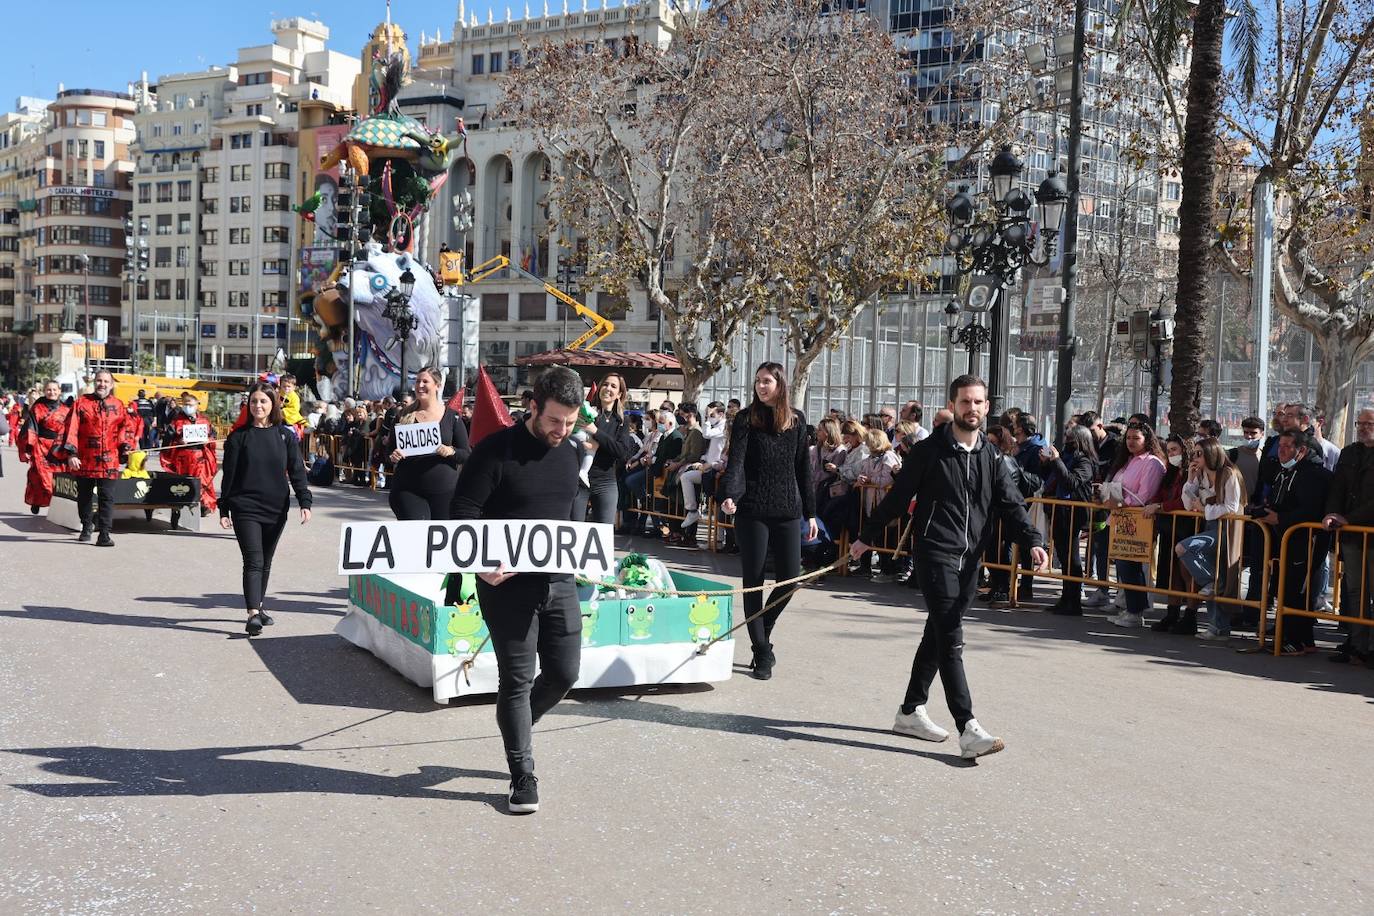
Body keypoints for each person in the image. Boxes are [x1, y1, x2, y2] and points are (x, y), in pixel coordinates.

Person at [850, 375, 1048, 759]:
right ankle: (968, 727)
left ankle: (910, 710)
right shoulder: (929, 451)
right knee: (952, 636)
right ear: (953, 405)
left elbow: (1011, 503)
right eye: (964, 402)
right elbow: (898, 497)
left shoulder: (991, 457)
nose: (971, 408)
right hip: (935, 553)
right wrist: (866, 537)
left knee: (937, 634)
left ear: (986, 407)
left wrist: (1034, 541)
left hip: (971, 559)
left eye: (978, 402)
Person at [443, 365, 586, 815]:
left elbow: (570, 514)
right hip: (505, 586)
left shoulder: (572, 452)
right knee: (517, 681)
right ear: (532, 407)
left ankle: (520, 722)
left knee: (565, 674)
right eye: (554, 421)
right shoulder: (493, 453)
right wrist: (479, 566)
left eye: (570, 421)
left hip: (559, 582)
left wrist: (585, 552)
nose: (562, 430)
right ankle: (522, 773)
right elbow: (461, 514)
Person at [719, 362, 818, 680]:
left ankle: (763, 627)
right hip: (752, 510)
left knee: (791, 578)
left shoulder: (797, 420)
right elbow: (736, 463)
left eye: (767, 381)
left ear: (780, 385)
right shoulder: (746, 418)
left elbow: (804, 467)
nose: (761, 386)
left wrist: (811, 513)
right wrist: (730, 494)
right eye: (758, 381)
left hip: (788, 508)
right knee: (754, 582)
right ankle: (762, 651)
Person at [219, 383, 312, 636]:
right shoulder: (239, 437)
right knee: (254, 561)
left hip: (276, 508)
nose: (258, 406)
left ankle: (259, 608)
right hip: (245, 507)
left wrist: (305, 501)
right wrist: (223, 508)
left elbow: (296, 471)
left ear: (273, 404)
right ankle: (251, 614)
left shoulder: (285, 435)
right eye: (253, 402)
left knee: (266, 561)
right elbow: (229, 476)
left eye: (263, 401)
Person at [1254, 429, 1332, 654]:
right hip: (1286, 539)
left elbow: (1310, 509)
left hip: (1307, 540)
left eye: (1288, 446)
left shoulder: (1314, 475)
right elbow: (1282, 500)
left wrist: (1280, 517)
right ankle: (1299, 638)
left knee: (1299, 590)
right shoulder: (1284, 472)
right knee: (1285, 588)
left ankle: (1297, 640)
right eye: (1280, 445)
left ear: (1302, 450)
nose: (1282, 450)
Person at [1096, 421, 1167, 627]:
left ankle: (1136, 611)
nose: (1131, 442)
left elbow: (1144, 495)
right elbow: (1118, 488)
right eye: (1128, 438)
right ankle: (1130, 608)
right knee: (1123, 567)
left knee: (1132, 567)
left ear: (1147, 440)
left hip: (1136, 520)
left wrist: (1119, 504)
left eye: (1136, 438)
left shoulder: (1152, 463)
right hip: (1119, 518)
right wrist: (1107, 497)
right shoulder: (1127, 461)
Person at [1175, 438, 1245, 640]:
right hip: (1211, 525)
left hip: (1228, 530)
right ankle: (1218, 627)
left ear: (1211, 454)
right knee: (1216, 577)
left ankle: (1214, 587)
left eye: (1199, 453)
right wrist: (1190, 479)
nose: (1195, 458)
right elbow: (1188, 505)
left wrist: (1204, 509)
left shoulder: (1229, 474)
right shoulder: (1201, 475)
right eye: (1194, 454)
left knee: (1184, 548)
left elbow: (1231, 507)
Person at [57, 369, 136, 546]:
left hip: (110, 460)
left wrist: (125, 446)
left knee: (107, 497)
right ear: (95, 382)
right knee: (84, 496)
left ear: (112, 384)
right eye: (99, 381)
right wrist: (71, 453)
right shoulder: (81, 403)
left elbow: (126, 428)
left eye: (106, 381)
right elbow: (71, 428)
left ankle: (105, 534)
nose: (102, 384)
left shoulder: (119, 405)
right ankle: (86, 526)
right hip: (85, 459)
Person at [385, 367, 471, 520]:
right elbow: (388, 451)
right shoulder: (403, 415)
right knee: (417, 534)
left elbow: (466, 454)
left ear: (437, 386)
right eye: (418, 381)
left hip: (445, 492)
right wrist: (393, 456)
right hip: (408, 490)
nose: (420, 385)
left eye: (425, 381)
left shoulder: (452, 417)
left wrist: (451, 451)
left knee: (439, 540)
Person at [1323, 409, 1374, 665]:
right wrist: (1332, 513)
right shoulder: (1350, 452)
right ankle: (1358, 644)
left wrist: (1350, 519)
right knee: (1355, 590)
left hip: (1368, 531)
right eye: (1360, 423)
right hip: (1352, 536)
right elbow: (1338, 487)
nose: (1363, 427)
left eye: (1369, 423)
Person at [1039, 425, 1097, 615]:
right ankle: (1065, 598)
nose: (1066, 440)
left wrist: (1056, 461)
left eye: (1071, 438)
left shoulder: (1085, 461)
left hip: (1074, 512)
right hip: (1059, 511)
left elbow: (1071, 482)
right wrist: (1048, 462)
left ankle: (1074, 601)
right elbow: (1054, 478)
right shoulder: (1067, 456)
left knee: (1072, 559)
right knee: (1064, 558)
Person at [1142, 433, 1197, 633]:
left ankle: (1190, 617)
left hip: (1187, 526)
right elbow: (1159, 492)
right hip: (1169, 527)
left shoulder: (1192, 472)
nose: (1172, 453)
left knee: (1187, 572)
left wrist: (1160, 506)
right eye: (1169, 450)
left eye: (1175, 449)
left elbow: (1185, 501)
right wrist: (1154, 504)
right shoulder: (1171, 472)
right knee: (1172, 571)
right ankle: (1172, 613)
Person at [571, 372, 637, 526]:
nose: (608, 388)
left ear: (619, 394)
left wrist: (595, 433)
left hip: (606, 482)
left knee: (604, 532)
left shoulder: (622, 421)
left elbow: (622, 452)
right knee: (574, 529)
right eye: (605, 384)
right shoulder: (587, 413)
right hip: (579, 480)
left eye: (613, 386)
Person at [162, 391, 219, 523]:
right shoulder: (176, 422)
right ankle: (177, 510)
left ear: (197, 405)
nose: (188, 406)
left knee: (202, 482)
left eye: (191, 404)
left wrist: (209, 440)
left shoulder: (204, 421)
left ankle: (203, 505)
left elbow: (213, 436)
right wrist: (178, 442)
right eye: (186, 404)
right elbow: (167, 441)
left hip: (200, 458)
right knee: (180, 484)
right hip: (182, 458)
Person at [17, 380, 70, 515]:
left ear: (59, 391)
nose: (51, 392)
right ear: (45, 391)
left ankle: (57, 505)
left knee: (58, 477)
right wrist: (28, 448)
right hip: (41, 446)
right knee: (40, 476)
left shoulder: (66, 409)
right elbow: (30, 428)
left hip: (59, 447)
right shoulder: (38, 408)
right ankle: (36, 500)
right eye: (49, 390)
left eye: (54, 390)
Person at [680, 400, 728, 533]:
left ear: (721, 414)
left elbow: (706, 434)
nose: (709, 418)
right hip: (708, 467)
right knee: (686, 477)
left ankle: (719, 538)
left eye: (712, 415)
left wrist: (707, 418)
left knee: (717, 505)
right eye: (708, 416)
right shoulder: (715, 426)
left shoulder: (723, 427)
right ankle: (692, 510)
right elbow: (711, 450)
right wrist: (702, 461)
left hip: (718, 469)